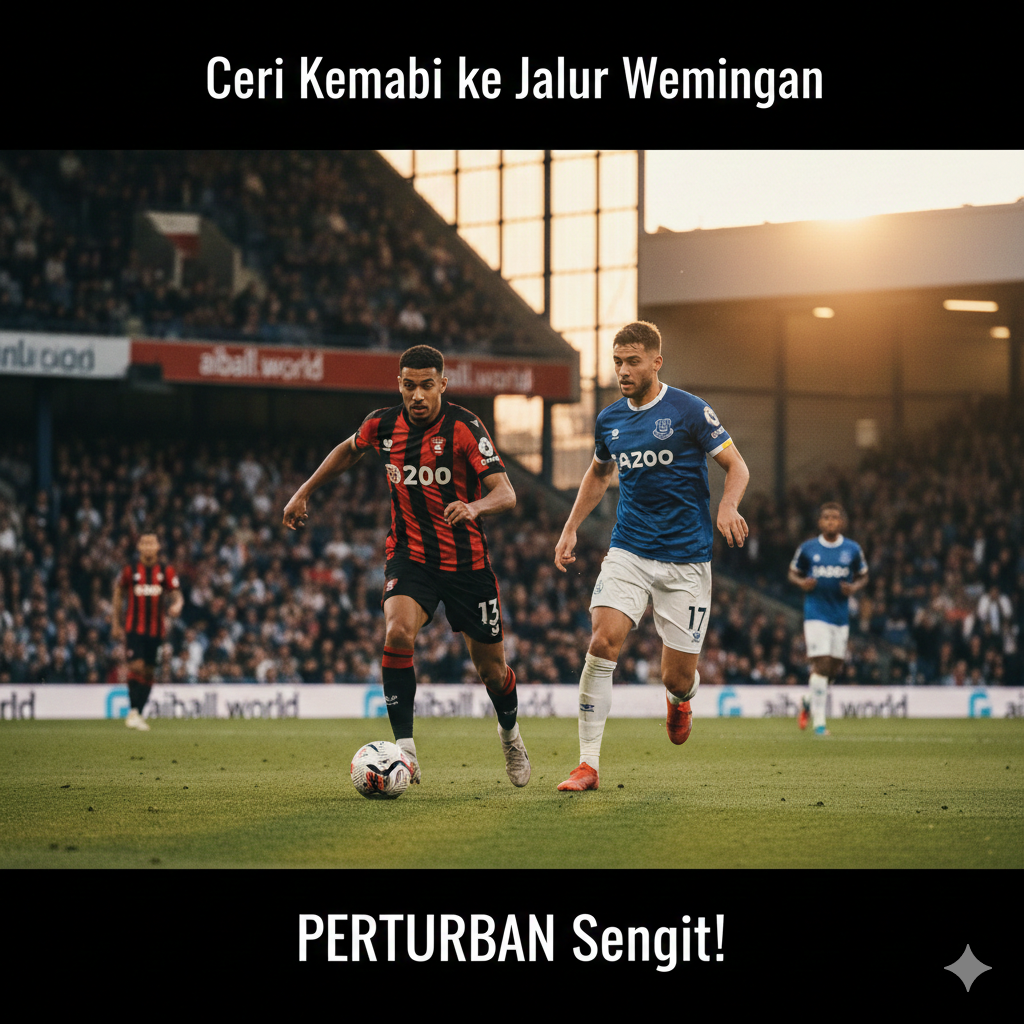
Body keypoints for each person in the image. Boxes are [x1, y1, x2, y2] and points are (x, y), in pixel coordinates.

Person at [282, 344, 530, 787]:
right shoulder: (382, 424)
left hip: (466, 564)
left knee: (492, 671)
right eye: (409, 385)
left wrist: (474, 507)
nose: (417, 395)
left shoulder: (465, 428)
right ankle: (406, 751)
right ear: (399, 383)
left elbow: (506, 493)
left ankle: (510, 734)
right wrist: (304, 491)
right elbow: (348, 449)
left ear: (443, 385)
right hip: (410, 555)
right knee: (397, 631)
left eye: (426, 386)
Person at [553, 320, 750, 791]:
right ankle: (587, 765)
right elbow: (599, 475)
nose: (623, 370)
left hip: (686, 558)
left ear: (656, 362)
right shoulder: (610, 420)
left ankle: (680, 699)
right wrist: (571, 527)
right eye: (618, 361)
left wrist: (727, 504)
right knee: (602, 640)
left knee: (677, 676)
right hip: (630, 549)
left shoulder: (689, 410)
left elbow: (735, 465)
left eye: (633, 361)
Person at [788, 502, 868, 736]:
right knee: (821, 665)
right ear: (820, 522)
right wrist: (801, 582)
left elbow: (863, 575)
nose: (831, 521)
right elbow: (793, 572)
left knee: (832, 670)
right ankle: (819, 724)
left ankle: (807, 700)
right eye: (826, 518)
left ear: (841, 522)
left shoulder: (852, 549)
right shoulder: (808, 548)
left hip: (840, 616)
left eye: (835, 518)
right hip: (815, 614)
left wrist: (854, 588)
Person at [111, 532, 183, 730]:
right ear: (139, 547)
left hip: (156, 630)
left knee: (150, 672)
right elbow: (118, 593)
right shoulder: (130, 570)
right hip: (134, 628)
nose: (149, 546)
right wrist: (115, 624)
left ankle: (137, 714)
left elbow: (177, 594)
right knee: (137, 666)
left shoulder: (165, 571)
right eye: (145, 543)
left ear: (158, 546)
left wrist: (177, 604)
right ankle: (133, 712)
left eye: (152, 543)